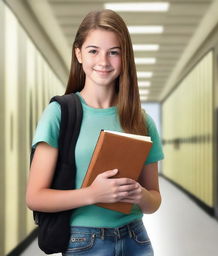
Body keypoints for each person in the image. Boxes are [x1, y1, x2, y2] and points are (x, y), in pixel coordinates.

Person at [26, 9, 164, 256]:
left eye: (114, 52)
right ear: (78, 54)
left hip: (136, 238)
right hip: (84, 241)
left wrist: (140, 195)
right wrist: (91, 194)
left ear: (125, 58)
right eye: (93, 51)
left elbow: (154, 201)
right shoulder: (59, 113)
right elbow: (35, 197)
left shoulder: (141, 120)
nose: (103, 61)